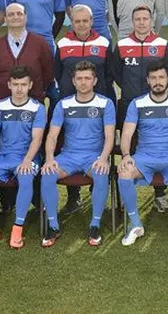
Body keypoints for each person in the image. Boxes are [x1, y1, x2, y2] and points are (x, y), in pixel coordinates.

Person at [116, 63, 168, 246]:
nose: (157, 82)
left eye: (161, 77)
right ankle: (135, 224)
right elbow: (127, 133)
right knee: (124, 172)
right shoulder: (137, 103)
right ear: (147, 80)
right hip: (144, 157)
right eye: (153, 78)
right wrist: (126, 155)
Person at [40, 62, 117, 248]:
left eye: (87, 78)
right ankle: (53, 226)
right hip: (68, 156)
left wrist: (103, 158)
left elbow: (110, 136)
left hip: (94, 156)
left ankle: (95, 225)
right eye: (79, 78)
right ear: (73, 81)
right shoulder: (63, 104)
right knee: (47, 174)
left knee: (101, 174)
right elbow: (52, 135)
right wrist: (49, 159)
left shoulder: (105, 104)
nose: (83, 82)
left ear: (95, 81)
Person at [111, 4, 168, 211]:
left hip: (156, 108)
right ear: (132, 21)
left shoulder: (162, 45)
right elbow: (116, 73)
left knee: (157, 148)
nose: (141, 22)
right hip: (129, 105)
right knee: (128, 148)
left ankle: (160, 194)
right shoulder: (122, 45)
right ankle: (125, 191)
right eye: (137, 19)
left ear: (151, 20)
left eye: (145, 19)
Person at [0, 67, 48, 249]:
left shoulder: (37, 108)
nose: (19, 89)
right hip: (2, 156)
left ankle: (17, 228)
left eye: (23, 84)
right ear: (9, 85)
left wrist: (27, 160)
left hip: (27, 156)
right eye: (15, 84)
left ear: (30, 85)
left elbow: (37, 139)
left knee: (25, 176)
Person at [0, 3, 54, 105]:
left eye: (19, 14)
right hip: (4, 104)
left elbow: (48, 72)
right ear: (5, 19)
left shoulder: (40, 43)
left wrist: (38, 90)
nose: (15, 17)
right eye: (11, 14)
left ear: (25, 17)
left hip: (34, 102)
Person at [55, 4, 116, 101]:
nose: (81, 24)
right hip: (68, 100)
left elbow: (109, 74)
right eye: (77, 21)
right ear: (72, 23)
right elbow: (58, 73)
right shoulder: (62, 43)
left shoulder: (103, 43)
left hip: (98, 100)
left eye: (85, 21)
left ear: (91, 21)